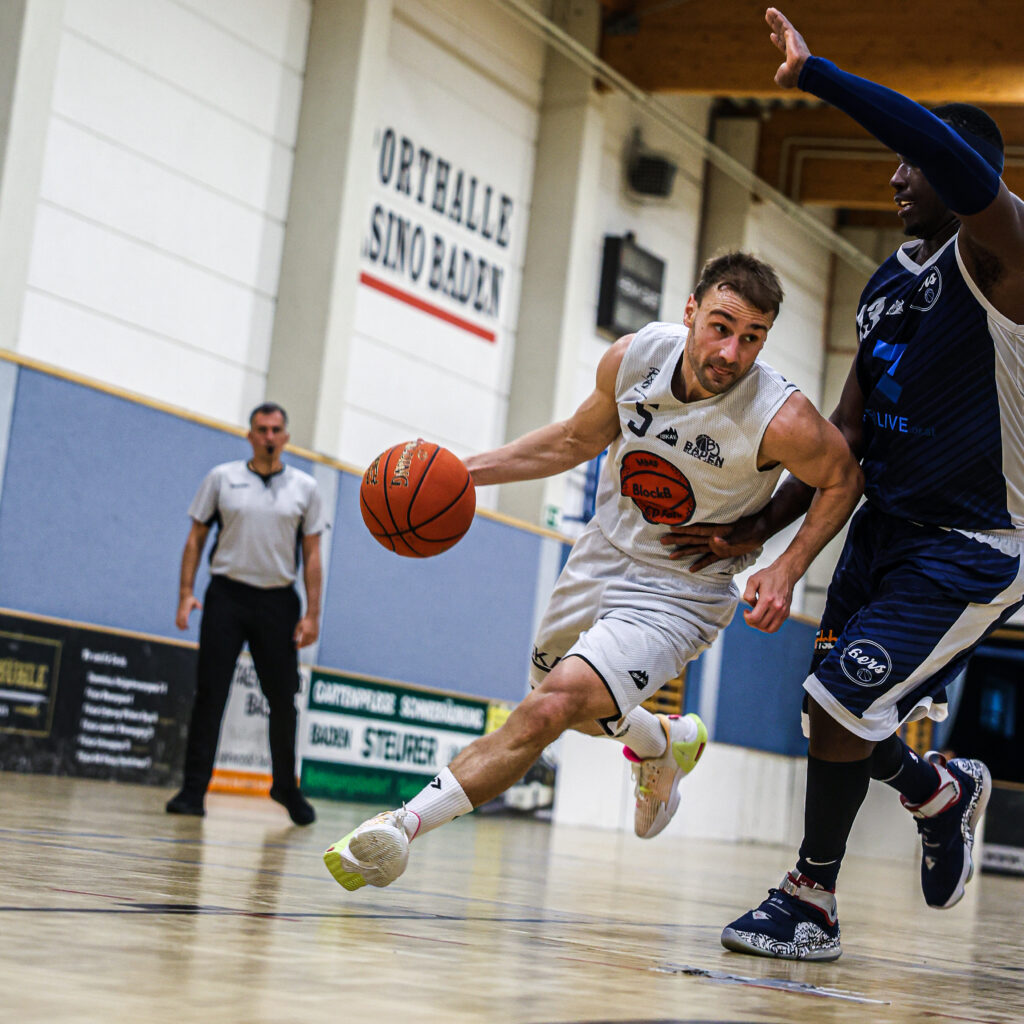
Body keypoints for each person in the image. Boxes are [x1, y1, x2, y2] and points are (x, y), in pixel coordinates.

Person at [322, 251, 864, 892]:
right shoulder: (635, 357)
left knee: (547, 708)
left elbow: (842, 477)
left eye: (752, 338)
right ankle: (661, 742)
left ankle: (400, 828)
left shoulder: (779, 416)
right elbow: (573, 441)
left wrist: (785, 567)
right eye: (721, 326)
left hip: (682, 589)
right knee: (559, 696)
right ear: (690, 312)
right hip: (602, 551)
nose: (731, 352)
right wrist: (463, 472)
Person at [679, 9, 1024, 962]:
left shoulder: (1005, 259)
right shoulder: (887, 282)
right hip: (885, 525)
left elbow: (940, 154)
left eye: (912, 165)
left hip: (973, 545)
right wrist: (764, 530)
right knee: (827, 710)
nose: (893, 173)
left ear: (951, 166)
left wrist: (820, 77)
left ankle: (811, 898)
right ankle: (932, 795)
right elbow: (846, 440)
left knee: (838, 704)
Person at [166, 402, 327, 825]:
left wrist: (312, 614)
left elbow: (312, 555)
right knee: (210, 695)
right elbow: (195, 539)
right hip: (226, 597)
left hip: (277, 602)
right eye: (261, 429)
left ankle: (285, 789)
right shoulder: (221, 479)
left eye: (276, 429)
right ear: (250, 434)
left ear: (286, 436)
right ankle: (193, 790)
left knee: (283, 701)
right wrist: (186, 593)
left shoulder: (306, 489)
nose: (269, 436)